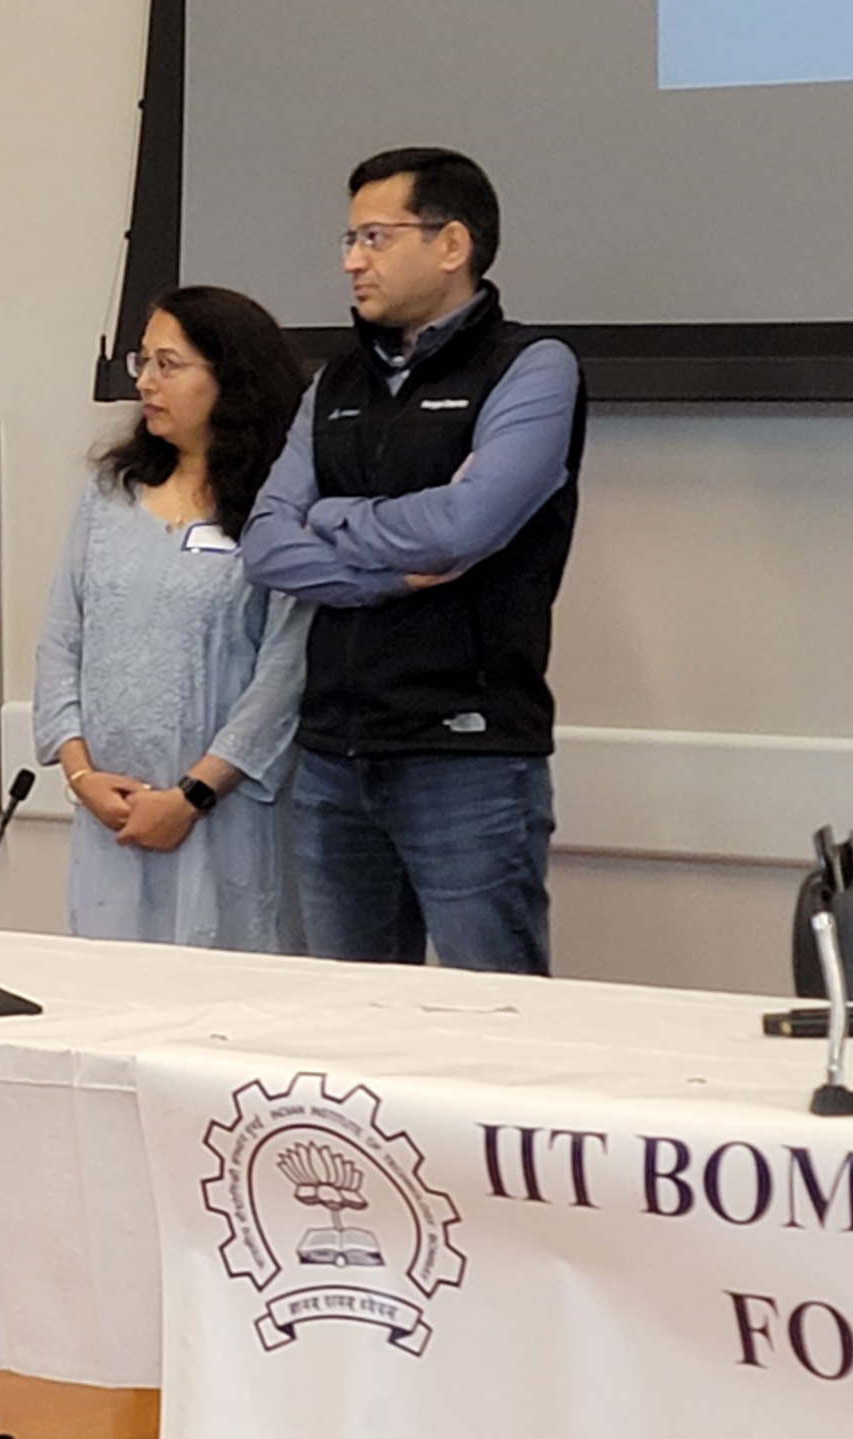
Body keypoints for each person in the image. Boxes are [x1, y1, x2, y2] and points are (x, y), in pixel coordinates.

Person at [242, 147, 587, 976]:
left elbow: (463, 528)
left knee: (492, 1014)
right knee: (349, 1027)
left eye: (375, 237)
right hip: (333, 755)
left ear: (451, 244)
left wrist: (330, 517)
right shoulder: (336, 381)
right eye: (348, 239)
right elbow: (264, 543)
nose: (351, 261)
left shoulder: (532, 366)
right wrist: (389, 573)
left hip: (465, 756)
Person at [34, 286, 311, 949]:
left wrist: (192, 796)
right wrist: (81, 775)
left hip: (227, 815)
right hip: (111, 817)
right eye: (143, 362)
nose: (145, 383)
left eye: (168, 364)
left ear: (231, 380)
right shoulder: (110, 494)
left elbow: (285, 672)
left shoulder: (281, 505)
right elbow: (61, 638)